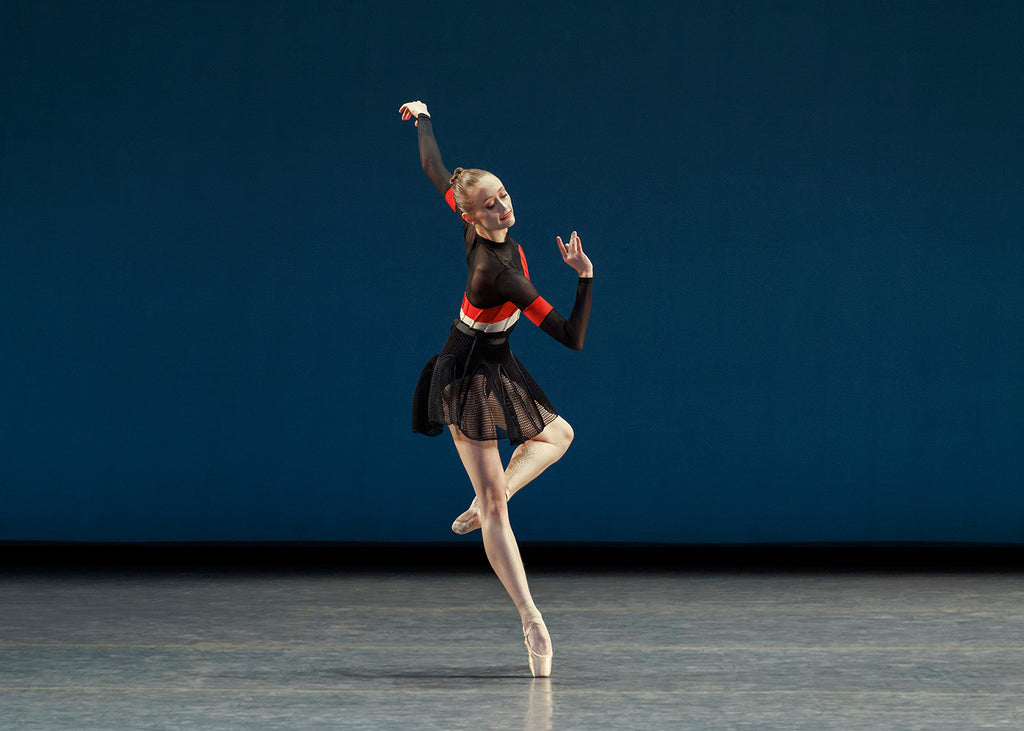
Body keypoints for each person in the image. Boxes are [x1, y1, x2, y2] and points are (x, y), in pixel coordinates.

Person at [400, 100, 593, 678]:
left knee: (558, 436)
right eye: (490, 204)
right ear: (471, 217)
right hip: (465, 373)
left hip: (497, 359)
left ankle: (490, 500)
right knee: (497, 509)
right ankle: (533, 622)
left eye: (503, 195)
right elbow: (571, 337)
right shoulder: (499, 271)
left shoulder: (474, 225)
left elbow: (435, 168)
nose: (503, 207)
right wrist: (585, 277)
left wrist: (423, 117)